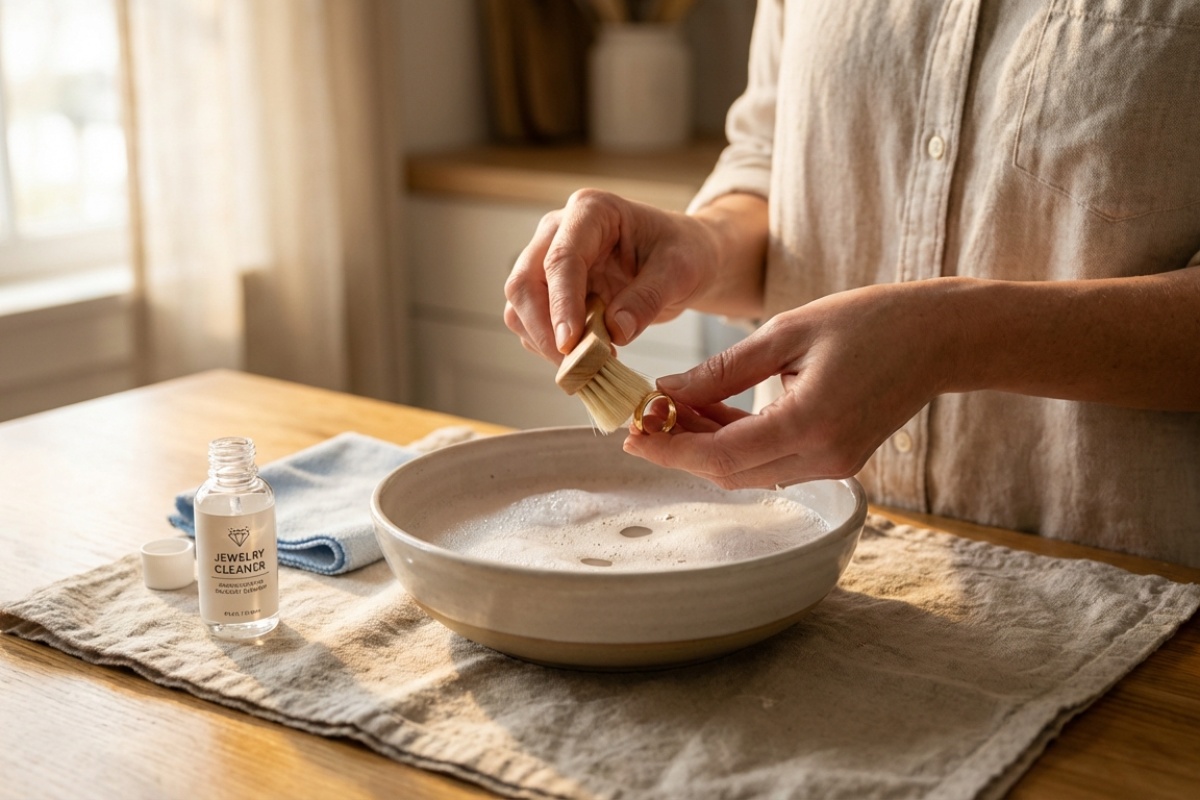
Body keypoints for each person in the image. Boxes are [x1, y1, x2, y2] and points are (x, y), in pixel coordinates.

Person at [503, 0, 1200, 567]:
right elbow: (772, 161)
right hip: (808, 561)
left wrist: (949, 339)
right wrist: (703, 245)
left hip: (1137, 590)